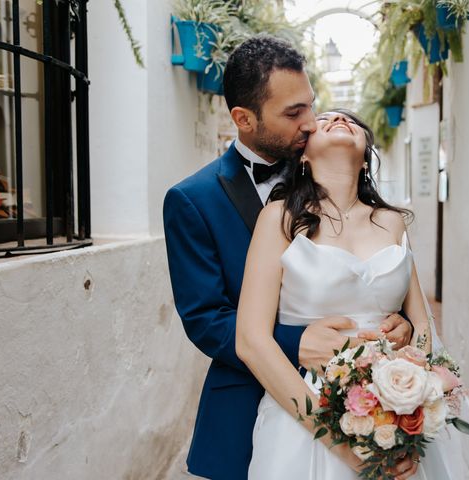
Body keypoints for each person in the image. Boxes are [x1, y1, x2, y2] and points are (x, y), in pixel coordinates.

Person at [163, 36, 414, 480]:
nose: (311, 122)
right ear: (243, 118)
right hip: (249, 405)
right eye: (293, 113)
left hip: (367, 403)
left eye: (310, 106)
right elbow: (205, 318)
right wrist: (296, 342)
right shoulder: (191, 200)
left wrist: (400, 324)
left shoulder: (342, 178)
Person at [235, 109, 446, 480]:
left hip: (389, 403)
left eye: (350, 120)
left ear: (366, 158)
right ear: (302, 155)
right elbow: (251, 340)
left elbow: (422, 324)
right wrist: (340, 444)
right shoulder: (279, 219)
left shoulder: (392, 221)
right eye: (325, 117)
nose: (338, 120)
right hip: (304, 413)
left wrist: (409, 398)